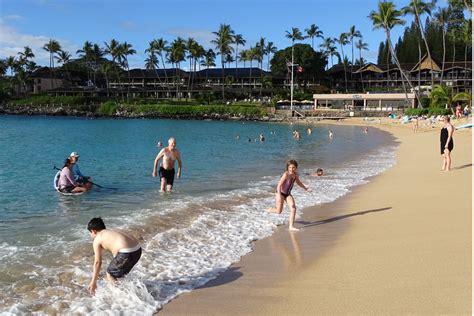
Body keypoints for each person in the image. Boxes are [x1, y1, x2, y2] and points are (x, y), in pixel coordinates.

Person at [87, 218, 142, 296]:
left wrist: (93, 282)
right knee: (118, 274)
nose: (90, 235)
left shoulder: (97, 239)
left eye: (90, 233)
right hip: (138, 250)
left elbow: (97, 262)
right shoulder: (111, 232)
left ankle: (119, 297)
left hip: (126, 252)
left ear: (93, 231)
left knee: (109, 273)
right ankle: (130, 292)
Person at [267, 160, 311, 231]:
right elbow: (279, 185)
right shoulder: (286, 174)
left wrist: (306, 188)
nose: (291, 169)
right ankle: (269, 210)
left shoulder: (296, 175)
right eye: (290, 167)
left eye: (293, 167)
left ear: (296, 168)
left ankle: (291, 226)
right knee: (279, 211)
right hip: (280, 193)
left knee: (293, 208)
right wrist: (278, 195)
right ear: (287, 168)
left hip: (287, 194)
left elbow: (299, 183)